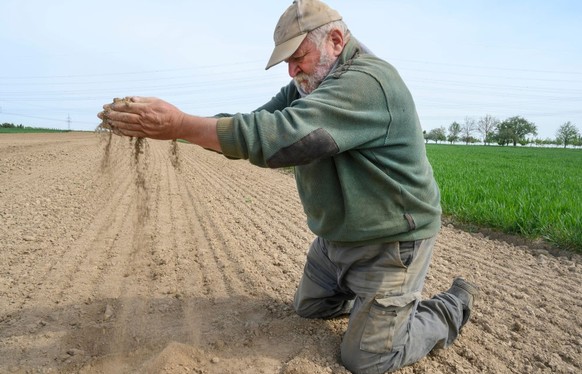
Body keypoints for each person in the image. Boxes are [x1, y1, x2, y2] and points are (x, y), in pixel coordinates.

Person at [98, 0, 479, 372]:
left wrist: (181, 125)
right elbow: (258, 122)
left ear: (335, 40)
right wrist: (181, 128)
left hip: (390, 240)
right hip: (337, 239)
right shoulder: (309, 84)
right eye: (288, 62)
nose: (292, 71)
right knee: (310, 309)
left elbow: (281, 138)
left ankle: (447, 308)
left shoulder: (367, 83)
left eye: (298, 57)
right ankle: (374, 306)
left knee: (367, 359)